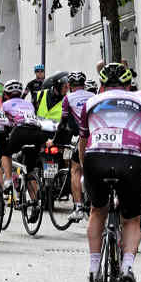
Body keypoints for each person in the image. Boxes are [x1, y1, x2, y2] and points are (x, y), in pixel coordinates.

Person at [79, 62, 141, 282]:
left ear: (101, 85)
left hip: (95, 158)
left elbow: (82, 142)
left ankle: (93, 268)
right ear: (129, 84)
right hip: (129, 160)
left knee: (97, 210)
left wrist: (85, 170)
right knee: (132, 218)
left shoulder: (89, 103)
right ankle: (127, 268)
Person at [55, 71, 90, 223]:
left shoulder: (68, 98)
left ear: (69, 86)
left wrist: (56, 140)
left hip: (84, 138)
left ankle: (78, 207)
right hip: (99, 137)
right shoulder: (93, 96)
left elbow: (63, 123)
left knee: (75, 169)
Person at [0, 80, 46, 189]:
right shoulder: (29, 104)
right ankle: (34, 201)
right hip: (37, 133)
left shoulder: (5, 105)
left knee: (5, 153)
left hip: (20, 131)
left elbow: (3, 122)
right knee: (29, 170)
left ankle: (8, 180)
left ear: (6, 94)